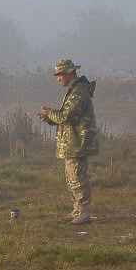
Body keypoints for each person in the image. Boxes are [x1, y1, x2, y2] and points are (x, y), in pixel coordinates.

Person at [37, 59, 99, 225]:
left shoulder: (78, 92)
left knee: (78, 178)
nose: (58, 78)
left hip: (78, 143)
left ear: (70, 73)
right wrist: (49, 118)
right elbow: (66, 117)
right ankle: (77, 211)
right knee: (73, 179)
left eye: (60, 75)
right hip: (73, 143)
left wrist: (50, 113)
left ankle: (83, 213)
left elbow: (67, 116)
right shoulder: (75, 90)